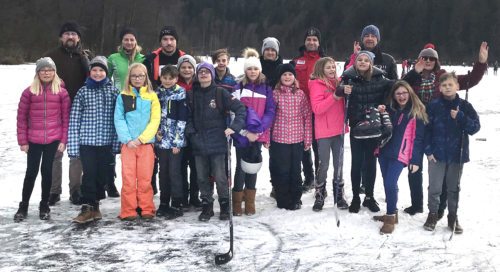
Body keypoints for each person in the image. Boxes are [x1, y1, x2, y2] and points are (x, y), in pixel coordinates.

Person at [402, 42, 488, 216]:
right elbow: (399, 88)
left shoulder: (442, 77)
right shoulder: (412, 77)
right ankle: (417, 203)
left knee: (439, 170)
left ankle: (440, 207)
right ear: (419, 59)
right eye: (424, 58)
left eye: (431, 58)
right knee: (414, 164)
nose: (427, 61)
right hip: (416, 126)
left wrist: (481, 63)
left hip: (437, 127)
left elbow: (469, 80)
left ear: (436, 61)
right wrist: (414, 72)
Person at [186, 62, 246, 221]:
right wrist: (192, 133)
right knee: (202, 177)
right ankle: (207, 206)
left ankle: (225, 206)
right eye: (201, 72)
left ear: (212, 74)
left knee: (220, 177)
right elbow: (187, 117)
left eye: (207, 72)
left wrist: (234, 127)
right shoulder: (192, 94)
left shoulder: (220, 93)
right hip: (198, 143)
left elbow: (240, 109)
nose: (203, 75)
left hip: (218, 143)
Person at [336, 51, 394, 213]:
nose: (362, 62)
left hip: (373, 127)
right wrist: (342, 90)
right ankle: (356, 196)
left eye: (366, 60)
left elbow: (394, 86)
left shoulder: (379, 78)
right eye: (359, 60)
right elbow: (336, 88)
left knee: (370, 163)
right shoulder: (348, 78)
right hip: (357, 127)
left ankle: (369, 196)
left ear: (371, 63)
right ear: (355, 62)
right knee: (356, 163)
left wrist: (384, 104)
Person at [423, 72, 481, 234]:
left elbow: (475, 128)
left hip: (457, 155)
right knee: (434, 187)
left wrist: (461, 117)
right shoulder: (433, 106)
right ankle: (433, 214)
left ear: (457, 86)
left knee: (453, 188)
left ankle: (452, 216)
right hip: (437, 154)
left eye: (451, 85)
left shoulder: (464, 106)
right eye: (444, 85)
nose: (448, 88)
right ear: (440, 88)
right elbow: (426, 130)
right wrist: (428, 150)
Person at [14, 57, 70, 222]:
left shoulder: (61, 92)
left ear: (54, 72)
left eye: (50, 70)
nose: (47, 73)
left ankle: (44, 204)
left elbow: (66, 119)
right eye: (43, 70)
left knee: (47, 173)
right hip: (33, 140)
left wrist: (63, 140)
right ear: (37, 72)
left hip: (53, 139)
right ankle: (23, 205)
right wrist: (23, 141)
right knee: (31, 173)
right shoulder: (29, 92)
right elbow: (21, 118)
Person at [44, 21, 92, 206]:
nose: (70, 37)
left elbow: (94, 77)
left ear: (78, 37)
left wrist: (85, 60)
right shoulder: (50, 57)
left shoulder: (85, 56)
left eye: (74, 34)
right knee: (55, 153)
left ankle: (75, 190)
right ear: (61, 38)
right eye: (66, 34)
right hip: (55, 111)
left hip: (79, 111)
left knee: (76, 153)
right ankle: (54, 191)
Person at [70, 56, 120, 224]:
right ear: (90, 72)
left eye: (101, 70)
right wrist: (73, 145)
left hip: (106, 142)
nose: (97, 73)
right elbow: (75, 119)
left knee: (102, 176)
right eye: (94, 70)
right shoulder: (83, 92)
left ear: (106, 73)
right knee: (89, 174)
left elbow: (117, 119)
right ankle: (86, 207)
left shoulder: (113, 92)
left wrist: (116, 142)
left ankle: (95, 207)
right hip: (87, 142)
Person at [373, 81, 427, 234]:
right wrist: (381, 112)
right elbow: (382, 127)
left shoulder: (417, 112)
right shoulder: (390, 109)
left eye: (404, 93)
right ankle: (393, 212)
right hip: (384, 151)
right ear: (394, 96)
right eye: (398, 94)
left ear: (409, 93)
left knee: (390, 183)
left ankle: (390, 218)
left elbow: (418, 139)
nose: (401, 96)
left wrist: (415, 160)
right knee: (387, 183)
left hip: (400, 154)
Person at [232, 48, 275, 216]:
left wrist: (260, 130)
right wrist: (244, 132)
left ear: (260, 70)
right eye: (249, 69)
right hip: (242, 134)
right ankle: (236, 202)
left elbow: (270, 111)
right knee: (240, 168)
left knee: (252, 167)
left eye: (255, 68)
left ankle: (249, 201)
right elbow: (233, 112)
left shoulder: (266, 88)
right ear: (245, 70)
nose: (252, 71)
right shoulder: (238, 88)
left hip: (257, 135)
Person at [114, 63, 160, 221]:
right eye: (134, 76)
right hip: (128, 146)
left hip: (146, 145)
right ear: (129, 78)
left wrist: (142, 139)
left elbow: (155, 120)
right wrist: (127, 139)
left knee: (145, 178)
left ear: (146, 77)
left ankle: (147, 208)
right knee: (128, 178)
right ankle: (128, 210)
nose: (138, 78)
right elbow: (119, 119)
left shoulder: (152, 96)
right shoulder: (123, 96)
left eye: (141, 75)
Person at [105, 27, 146, 198]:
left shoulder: (143, 58)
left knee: (139, 142)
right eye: (126, 39)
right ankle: (110, 181)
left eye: (132, 39)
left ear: (136, 41)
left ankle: (145, 183)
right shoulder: (113, 58)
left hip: (139, 104)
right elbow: (104, 78)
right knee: (115, 143)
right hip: (118, 102)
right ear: (121, 42)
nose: (129, 42)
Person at [309, 57, 349, 211]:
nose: (332, 70)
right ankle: (320, 193)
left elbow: (351, 70)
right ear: (321, 69)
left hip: (338, 129)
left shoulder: (339, 82)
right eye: (328, 67)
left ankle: (339, 194)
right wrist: (334, 96)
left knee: (339, 163)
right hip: (324, 131)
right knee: (324, 164)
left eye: (333, 66)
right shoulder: (316, 84)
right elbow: (317, 109)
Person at [270, 63, 312, 210]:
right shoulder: (275, 94)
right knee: (282, 170)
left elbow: (307, 117)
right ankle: (283, 198)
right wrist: (267, 137)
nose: (287, 77)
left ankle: (295, 198)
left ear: (294, 77)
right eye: (284, 75)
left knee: (295, 170)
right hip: (279, 139)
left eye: (290, 74)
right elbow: (270, 116)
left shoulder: (300, 94)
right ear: (280, 78)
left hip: (297, 139)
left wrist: (307, 139)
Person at [291, 27, 325, 192]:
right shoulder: (296, 61)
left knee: (318, 147)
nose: (311, 42)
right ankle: (309, 177)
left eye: (315, 40)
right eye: (309, 39)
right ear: (305, 41)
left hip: (319, 111)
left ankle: (320, 179)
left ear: (319, 43)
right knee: (304, 146)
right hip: (300, 112)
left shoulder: (325, 61)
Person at [154, 65, 188, 219]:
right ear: (161, 78)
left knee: (175, 172)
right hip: (161, 141)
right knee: (163, 172)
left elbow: (182, 120)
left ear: (176, 79)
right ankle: (164, 202)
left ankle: (177, 202)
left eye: (171, 78)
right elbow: (153, 116)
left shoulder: (180, 94)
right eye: (165, 78)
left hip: (174, 142)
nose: (167, 81)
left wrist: (177, 142)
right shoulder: (157, 93)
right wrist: (156, 133)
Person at [176, 54, 201, 209]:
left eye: (190, 67)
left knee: (196, 166)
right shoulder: (174, 84)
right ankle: (183, 196)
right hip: (178, 132)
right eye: (183, 67)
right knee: (180, 167)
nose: (186, 70)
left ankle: (194, 196)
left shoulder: (199, 84)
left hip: (196, 131)